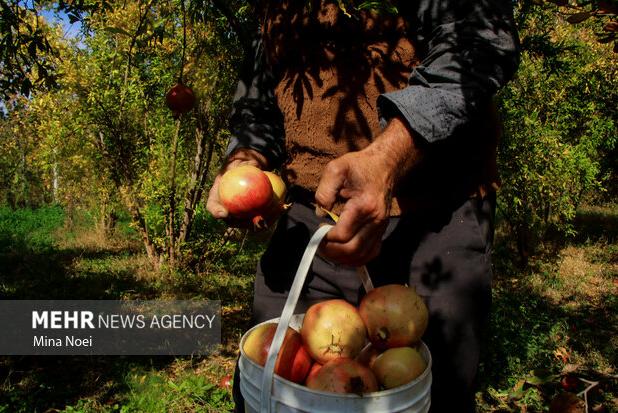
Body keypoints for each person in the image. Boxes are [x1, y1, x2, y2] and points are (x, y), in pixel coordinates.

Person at [206, 1, 519, 411]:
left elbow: (479, 40)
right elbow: (259, 99)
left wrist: (385, 161)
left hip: (434, 220)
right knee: (275, 389)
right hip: (310, 222)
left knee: (430, 395)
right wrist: (245, 164)